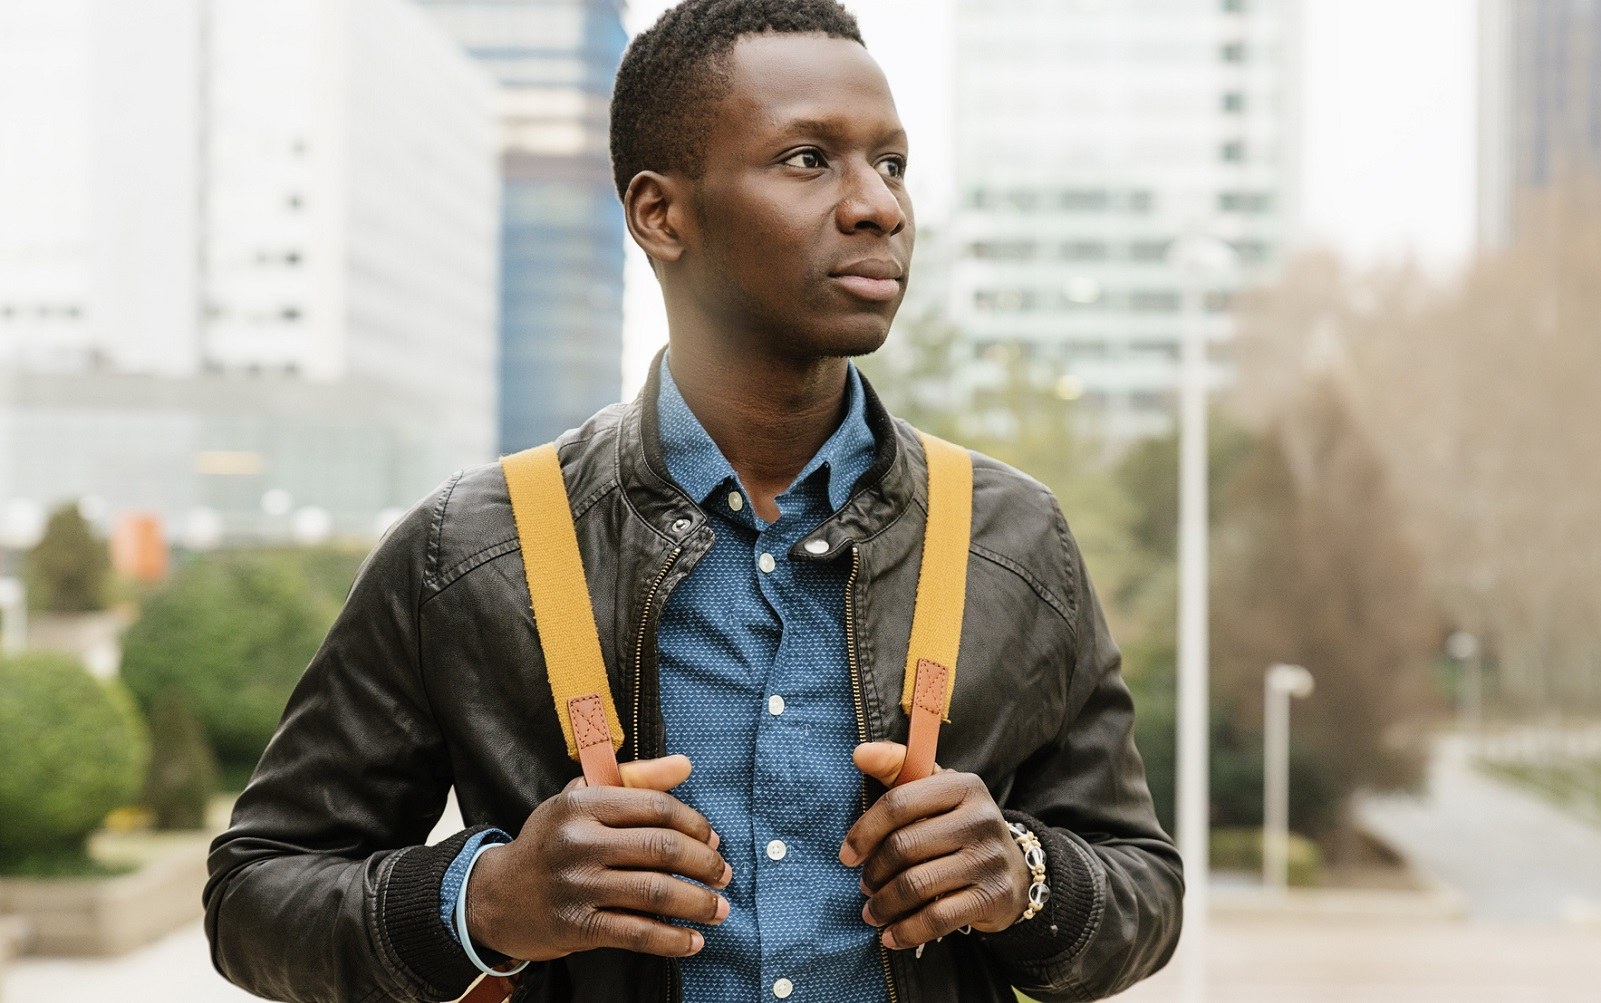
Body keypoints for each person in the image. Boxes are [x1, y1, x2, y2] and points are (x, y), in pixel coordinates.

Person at [203, 2, 1181, 1001]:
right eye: (809, 159)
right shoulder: (469, 547)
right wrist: (488, 896)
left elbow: (1144, 886)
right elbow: (254, 894)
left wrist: (1028, 876)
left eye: (890, 164)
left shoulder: (1009, 537)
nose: (879, 206)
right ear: (659, 214)